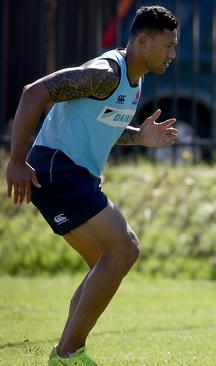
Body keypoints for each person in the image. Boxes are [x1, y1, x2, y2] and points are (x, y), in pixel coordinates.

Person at [5, 6, 179, 365]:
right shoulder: (105, 73)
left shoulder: (135, 77)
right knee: (124, 249)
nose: (173, 54)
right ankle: (68, 354)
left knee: (104, 260)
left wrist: (140, 137)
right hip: (57, 170)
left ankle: (68, 351)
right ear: (143, 41)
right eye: (167, 45)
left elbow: (104, 125)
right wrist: (16, 159)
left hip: (71, 175)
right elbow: (33, 92)